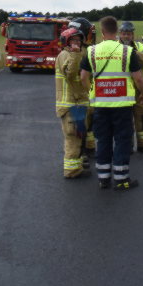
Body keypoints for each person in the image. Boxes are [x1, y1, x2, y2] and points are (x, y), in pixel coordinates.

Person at [80, 16, 143, 190]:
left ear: (102, 32)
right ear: (117, 32)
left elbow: (83, 77)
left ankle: (103, 178)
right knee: (123, 140)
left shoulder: (92, 51)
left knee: (102, 140)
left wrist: (91, 92)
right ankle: (121, 179)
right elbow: (139, 78)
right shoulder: (127, 51)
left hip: (101, 106)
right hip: (123, 105)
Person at [55, 27, 90, 178]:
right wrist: (76, 54)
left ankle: (78, 165)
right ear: (66, 42)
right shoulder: (65, 55)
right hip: (71, 106)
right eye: (73, 40)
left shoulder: (79, 54)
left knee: (80, 135)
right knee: (73, 137)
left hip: (79, 104)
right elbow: (70, 74)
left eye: (79, 40)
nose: (77, 43)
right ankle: (72, 171)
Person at [119, 21, 143, 153]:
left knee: (142, 117)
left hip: (138, 88)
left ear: (133, 34)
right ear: (120, 34)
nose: (126, 36)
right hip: (122, 89)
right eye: (124, 33)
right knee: (125, 120)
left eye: (129, 34)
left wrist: (132, 52)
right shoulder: (115, 47)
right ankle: (127, 146)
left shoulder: (139, 46)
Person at [68, 17, 96, 155]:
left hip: (76, 96)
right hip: (83, 95)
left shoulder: (68, 52)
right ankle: (84, 152)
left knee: (86, 124)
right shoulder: (84, 52)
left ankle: (87, 149)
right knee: (84, 125)